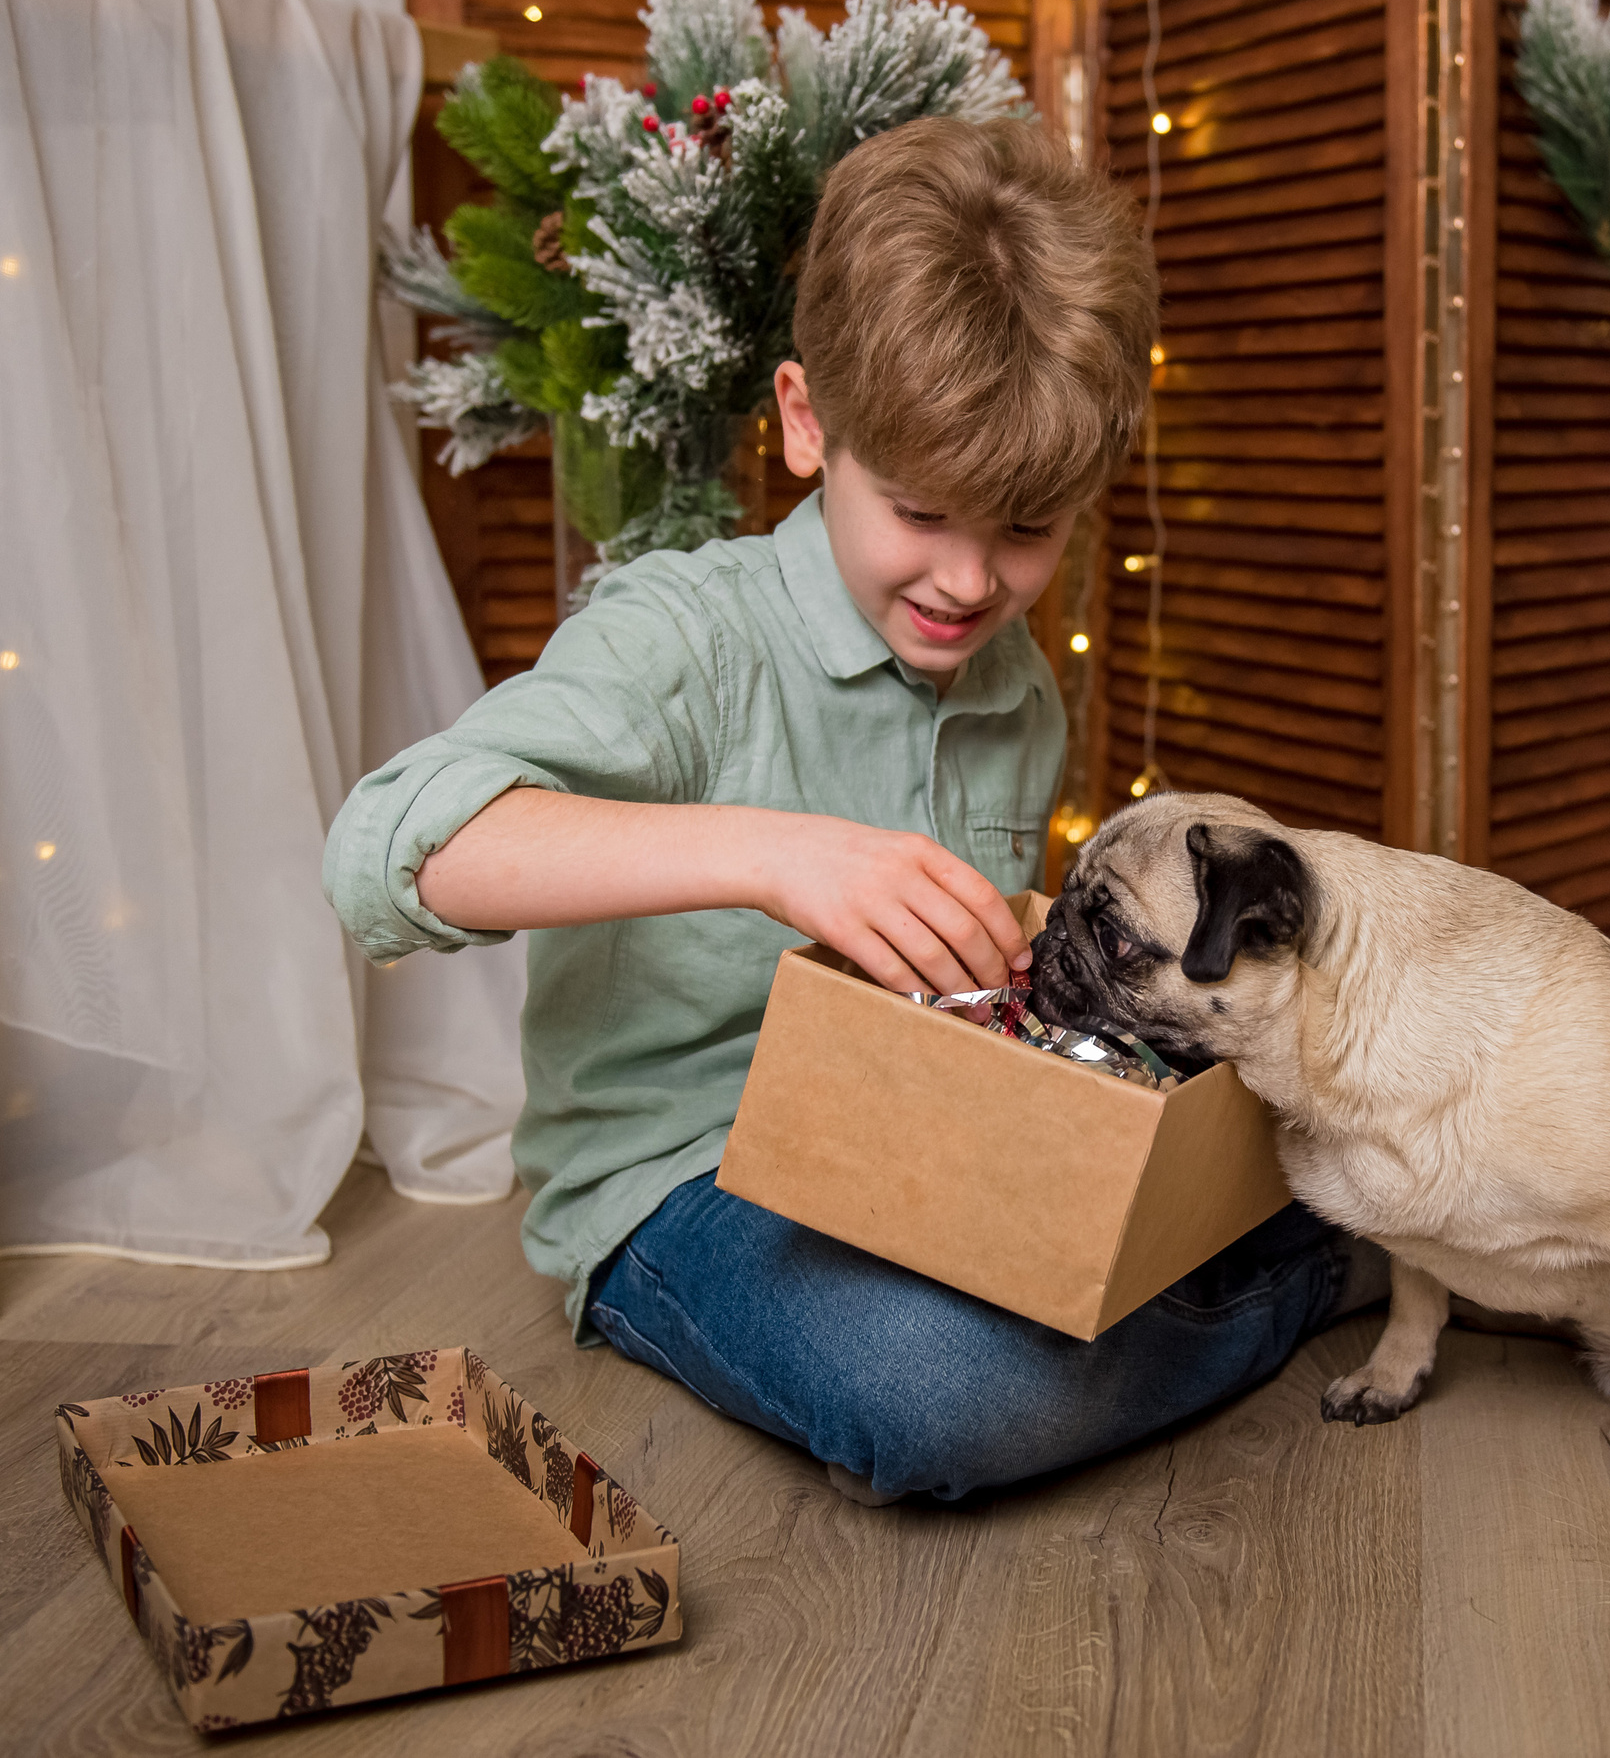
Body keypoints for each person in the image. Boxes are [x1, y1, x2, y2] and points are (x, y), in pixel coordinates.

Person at [326, 118, 1374, 1502]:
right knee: (941, 1393)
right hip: (682, 1184)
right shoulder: (687, 637)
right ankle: (1334, 1269)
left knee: (1266, 1119)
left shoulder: (1015, 691)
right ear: (808, 420)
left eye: (1027, 529)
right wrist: (775, 855)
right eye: (923, 511)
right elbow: (381, 851)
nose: (968, 580)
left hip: (930, 1146)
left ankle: (1288, 1252)